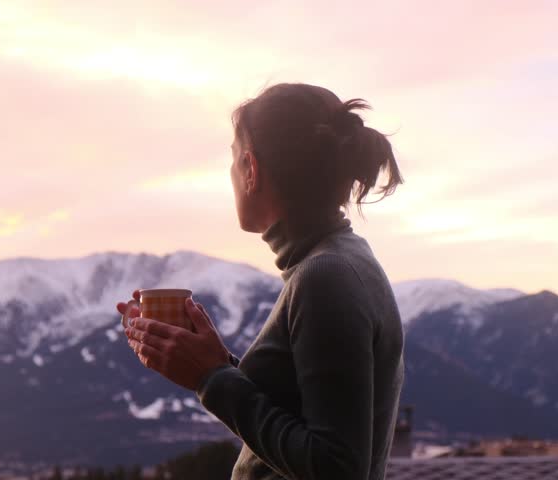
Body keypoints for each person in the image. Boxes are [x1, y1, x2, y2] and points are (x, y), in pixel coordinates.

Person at [116, 82, 405, 480]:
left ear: (250, 169)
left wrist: (210, 378)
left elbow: (336, 467)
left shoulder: (326, 277)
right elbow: (302, 412)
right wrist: (213, 362)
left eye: (233, 158)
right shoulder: (339, 262)